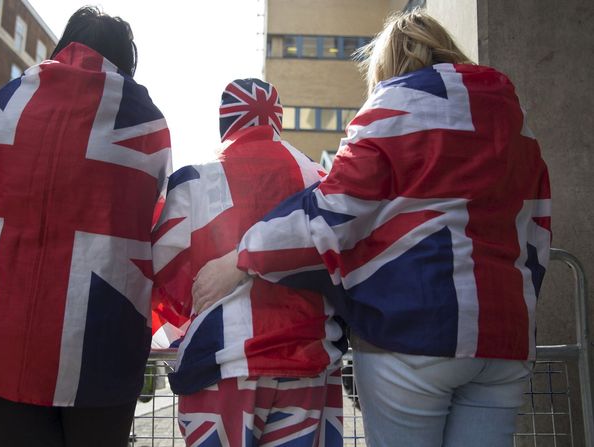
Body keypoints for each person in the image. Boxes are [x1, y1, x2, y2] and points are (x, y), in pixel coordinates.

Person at [192, 9, 551, 447]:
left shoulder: (394, 104)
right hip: (505, 338)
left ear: (387, 66)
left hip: (414, 330)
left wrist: (241, 258)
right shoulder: (515, 119)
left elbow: (330, 213)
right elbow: (537, 229)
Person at [0, 7, 171, 447]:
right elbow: (155, 225)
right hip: (100, 337)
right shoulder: (143, 116)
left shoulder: (3, 103)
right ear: (124, 59)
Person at [152, 78, 346, 447]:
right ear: (278, 121)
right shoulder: (321, 179)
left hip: (222, 365)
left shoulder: (194, 181)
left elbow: (163, 274)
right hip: (310, 363)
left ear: (225, 122)